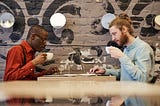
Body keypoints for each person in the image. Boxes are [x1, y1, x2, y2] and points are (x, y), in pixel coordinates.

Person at [89, 13, 155, 106]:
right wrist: (105, 71)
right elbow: (126, 73)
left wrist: (122, 57)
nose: (113, 38)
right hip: (128, 101)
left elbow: (142, 79)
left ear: (124, 29)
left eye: (114, 34)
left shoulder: (143, 48)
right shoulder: (127, 49)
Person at [3, 25, 59, 105]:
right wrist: (34, 62)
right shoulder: (16, 50)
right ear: (33, 37)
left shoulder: (31, 53)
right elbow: (9, 78)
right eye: (43, 40)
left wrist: (45, 73)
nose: (45, 43)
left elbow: (27, 78)